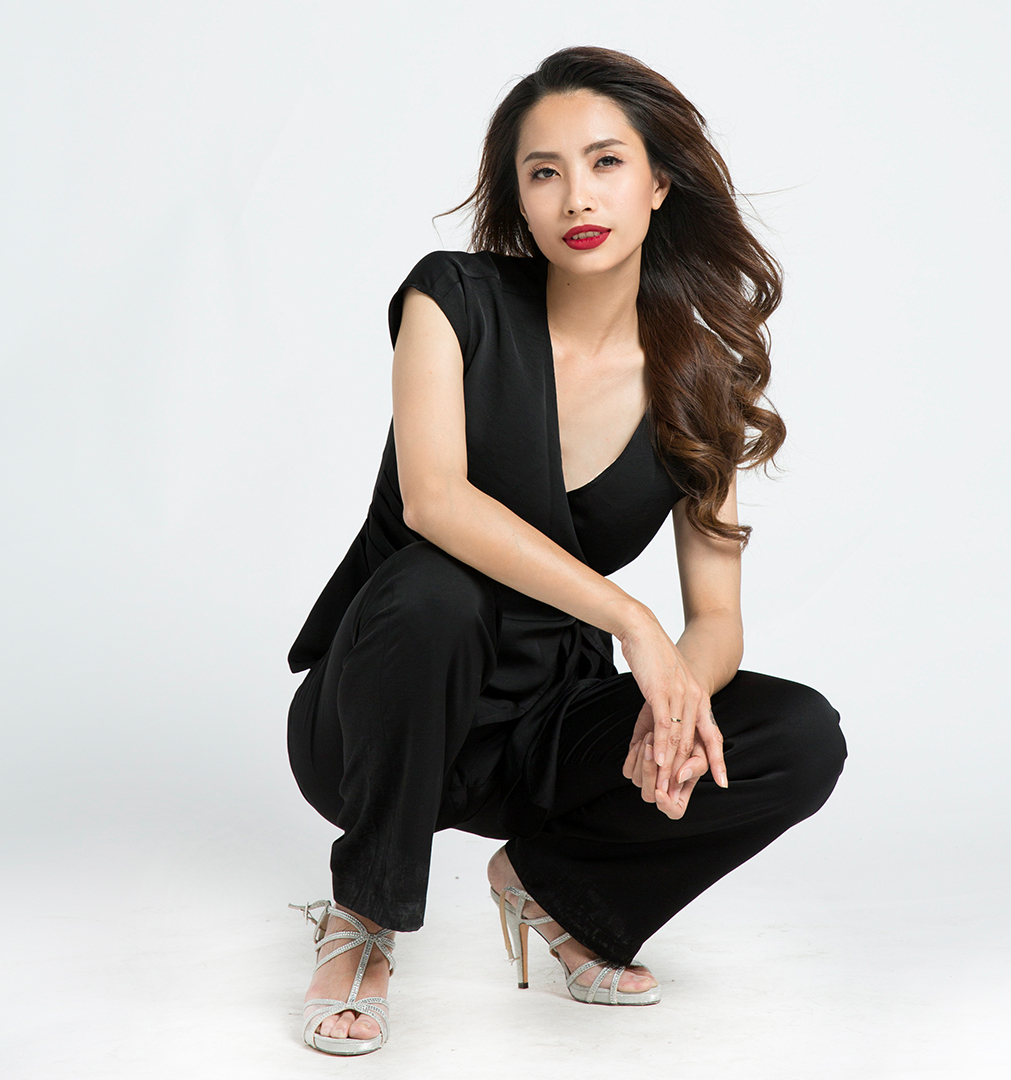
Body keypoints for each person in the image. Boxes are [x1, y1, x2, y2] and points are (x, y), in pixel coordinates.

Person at [285, 45, 847, 1056]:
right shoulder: (451, 301)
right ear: (519, 196)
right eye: (543, 172)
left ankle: (555, 887)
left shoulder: (698, 380)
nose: (575, 195)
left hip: (540, 725)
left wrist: (676, 705)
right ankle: (364, 913)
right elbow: (435, 500)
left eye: (605, 163)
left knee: (798, 735)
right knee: (439, 590)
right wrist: (631, 617)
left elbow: (717, 618)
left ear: (659, 182)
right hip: (379, 711)